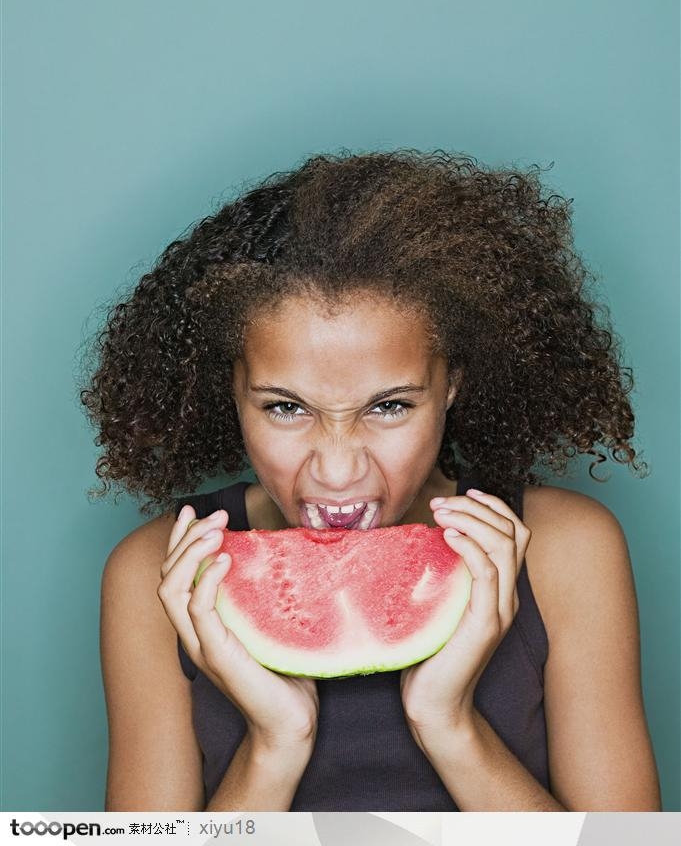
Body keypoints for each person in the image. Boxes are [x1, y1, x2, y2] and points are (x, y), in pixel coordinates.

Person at [81, 149, 662, 811]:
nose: (336, 469)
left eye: (388, 406)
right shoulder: (157, 573)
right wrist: (276, 742)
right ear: (231, 391)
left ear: (452, 385)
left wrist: (447, 723)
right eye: (285, 407)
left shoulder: (562, 550)